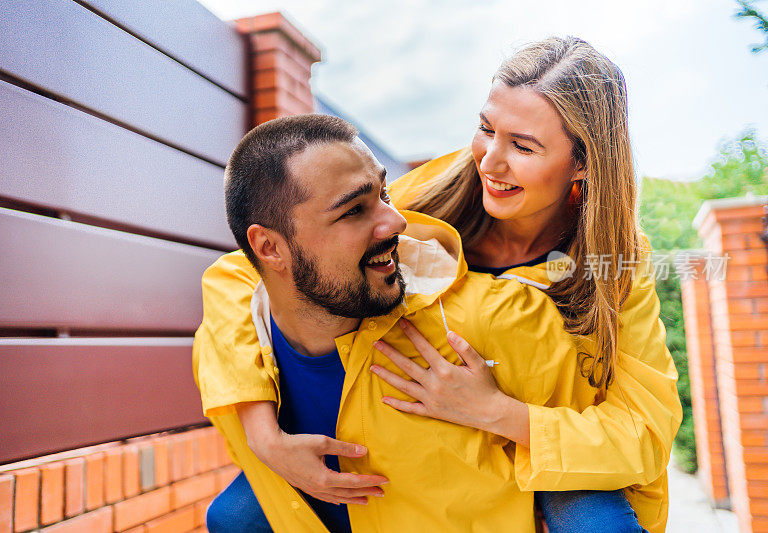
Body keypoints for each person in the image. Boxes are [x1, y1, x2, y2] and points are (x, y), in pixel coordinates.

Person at [194, 36, 681, 533]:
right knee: (236, 516)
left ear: (583, 161)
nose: (490, 161)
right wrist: (263, 434)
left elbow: (643, 431)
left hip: (544, 462)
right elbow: (244, 270)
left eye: (523, 146)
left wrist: (498, 413)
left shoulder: (611, 264)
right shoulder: (426, 197)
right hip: (424, 459)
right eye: (486, 129)